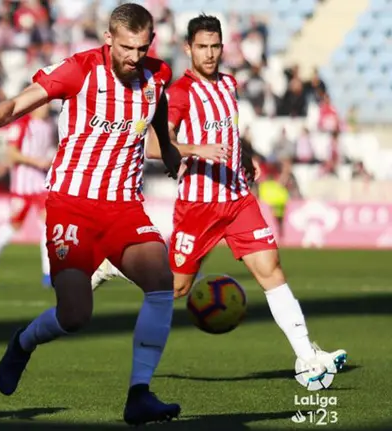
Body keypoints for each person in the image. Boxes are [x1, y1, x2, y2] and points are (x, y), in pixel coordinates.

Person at [92, 14, 347, 389]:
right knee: (176, 288)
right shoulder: (177, 93)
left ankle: (307, 359)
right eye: (202, 47)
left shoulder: (228, 84)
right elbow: (150, 144)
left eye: (215, 47)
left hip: (238, 198)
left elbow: (228, 131)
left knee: (271, 269)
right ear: (188, 48)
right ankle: (115, 264)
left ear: (223, 48)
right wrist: (197, 149)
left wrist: (244, 157)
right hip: (199, 207)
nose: (209, 54)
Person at [0, 4, 183, 426]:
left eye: (142, 46)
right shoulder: (80, 71)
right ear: (109, 39)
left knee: (160, 282)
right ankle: (22, 344)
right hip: (71, 205)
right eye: (126, 47)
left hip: (123, 206)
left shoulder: (158, 76)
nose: (134, 56)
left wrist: (172, 157)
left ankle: (139, 393)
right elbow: (23, 102)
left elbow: (159, 119)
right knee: (76, 315)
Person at [0, 103, 55, 287]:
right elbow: (11, 154)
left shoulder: (50, 125)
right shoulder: (21, 125)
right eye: (43, 104)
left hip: (41, 184)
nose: (46, 107)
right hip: (21, 185)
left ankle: (48, 273)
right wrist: (36, 161)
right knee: (14, 225)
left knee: (48, 224)